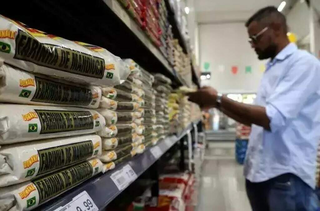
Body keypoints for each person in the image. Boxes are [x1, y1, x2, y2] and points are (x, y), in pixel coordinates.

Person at [188, 6, 320, 211]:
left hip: (286, 176)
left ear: (276, 28)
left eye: (255, 38)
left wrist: (219, 98)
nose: (252, 45)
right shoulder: (273, 67)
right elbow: (254, 119)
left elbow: (271, 118)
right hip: (261, 173)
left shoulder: (303, 64)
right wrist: (215, 103)